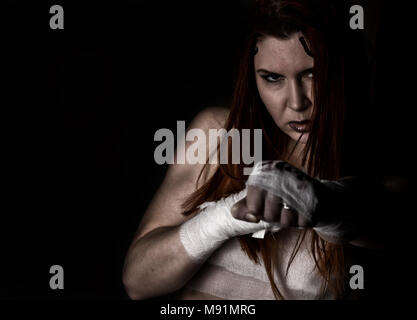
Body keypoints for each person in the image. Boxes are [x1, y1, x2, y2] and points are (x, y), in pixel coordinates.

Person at [122, 0, 408, 300]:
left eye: (313, 73)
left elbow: (381, 219)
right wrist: (226, 217)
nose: (297, 102)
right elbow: (138, 282)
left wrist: (316, 201)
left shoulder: (377, 164)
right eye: (273, 78)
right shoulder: (219, 135)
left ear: (344, 69)